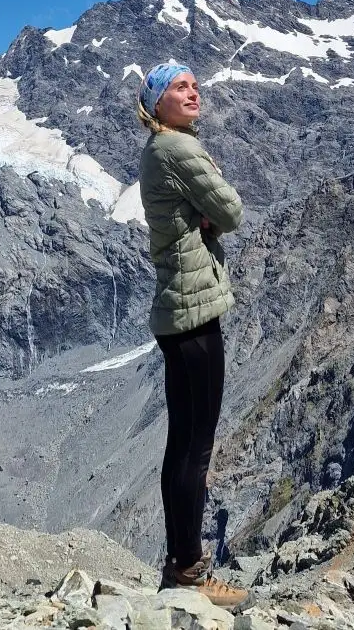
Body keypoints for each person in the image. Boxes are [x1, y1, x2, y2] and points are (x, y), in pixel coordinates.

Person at [137, 62, 248, 610]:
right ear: (155, 103)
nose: (192, 92)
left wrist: (202, 216)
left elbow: (208, 213)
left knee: (180, 442)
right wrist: (211, 215)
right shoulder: (178, 150)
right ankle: (189, 571)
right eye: (179, 87)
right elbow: (230, 209)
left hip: (175, 312)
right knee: (196, 448)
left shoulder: (156, 153)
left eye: (194, 85)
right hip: (196, 313)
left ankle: (177, 563)